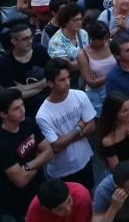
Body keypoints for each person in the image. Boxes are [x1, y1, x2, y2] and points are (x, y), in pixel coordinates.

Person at [0, 88, 55, 221]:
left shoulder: (29, 123)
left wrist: (26, 167)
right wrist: (39, 158)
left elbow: (49, 152)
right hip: (19, 203)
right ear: (3, 114)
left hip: (41, 190)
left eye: (22, 105)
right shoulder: (0, 143)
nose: (22, 110)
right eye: (16, 108)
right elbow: (20, 181)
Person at [36, 60, 97, 188]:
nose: (67, 83)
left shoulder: (80, 95)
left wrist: (64, 140)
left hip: (84, 161)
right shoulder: (43, 115)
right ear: (50, 83)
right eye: (62, 80)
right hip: (61, 171)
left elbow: (92, 126)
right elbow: (56, 146)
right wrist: (79, 126)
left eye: (68, 78)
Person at [26, 178, 92, 222]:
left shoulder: (81, 195)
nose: (68, 210)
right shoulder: (34, 211)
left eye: (69, 201)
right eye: (60, 209)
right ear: (46, 208)